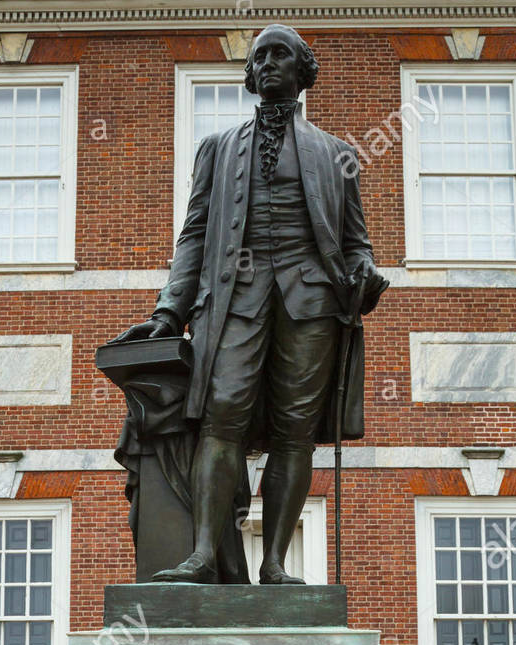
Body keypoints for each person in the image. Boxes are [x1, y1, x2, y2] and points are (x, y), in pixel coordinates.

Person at [116, 24, 387, 584]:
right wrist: (170, 311)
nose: (266, 64)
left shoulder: (337, 155)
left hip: (310, 303)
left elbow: (355, 242)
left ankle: (275, 564)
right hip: (234, 300)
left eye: (279, 54)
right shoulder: (216, 149)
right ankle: (203, 555)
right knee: (221, 419)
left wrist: (364, 273)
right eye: (258, 56)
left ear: (301, 70)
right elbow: (193, 237)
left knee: (295, 431)